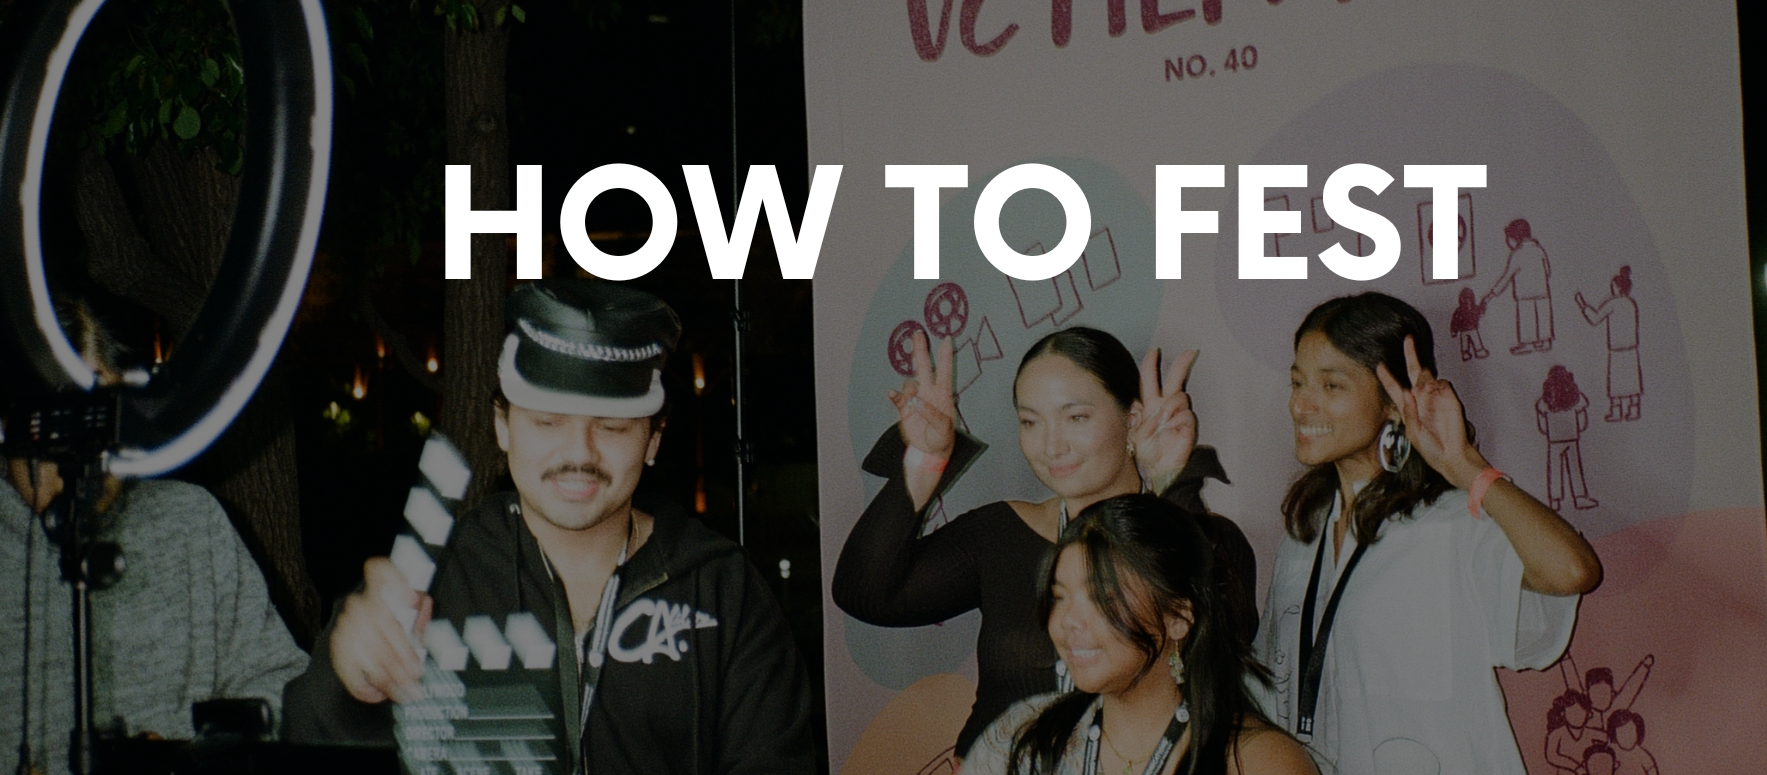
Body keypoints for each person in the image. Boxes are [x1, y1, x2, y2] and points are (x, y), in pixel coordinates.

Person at [282, 279, 813, 774]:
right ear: (502, 426)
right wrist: (343, 686)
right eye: (548, 421)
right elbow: (304, 747)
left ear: (653, 439)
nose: (579, 452)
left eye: (611, 426)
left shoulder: (723, 591)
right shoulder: (431, 581)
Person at [834, 326, 1255, 760]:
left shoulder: (1210, 538)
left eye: (1076, 418)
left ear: (1131, 418)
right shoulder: (1000, 533)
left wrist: (1172, 484)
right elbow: (867, 594)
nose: (1052, 446)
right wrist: (924, 460)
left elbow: (1226, 634)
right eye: (1031, 422)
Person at [1254, 292, 1603, 775]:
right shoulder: (1302, 538)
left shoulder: (1452, 523)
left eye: (1331, 385)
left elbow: (1573, 571)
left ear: (1394, 402)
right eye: (1297, 382)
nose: (1300, 405)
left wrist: (1463, 464)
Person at [2, 301, 308, 775]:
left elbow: (282, 695)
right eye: (56, 422)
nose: (82, 452)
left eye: (98, 411)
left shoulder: (192, 523)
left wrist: (190, 760)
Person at [960, 494, 1315, 775]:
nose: (1068, 621)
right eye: (1059, 597)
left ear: (1178, 617)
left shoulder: (1259, 761)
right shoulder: (1023, 738)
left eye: (1103, 598)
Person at [1574, 267, 1642, 422]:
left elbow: (1595, 319)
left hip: (1617, 349)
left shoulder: (1614, 303)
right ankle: (1634, 410)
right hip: (1631, 349)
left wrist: (1583, 305)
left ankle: (1617, 412)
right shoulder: (1630, 303)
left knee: (1617, 383)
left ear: (1617, 287)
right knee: (1632, 382)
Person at [1484, 218, 1554, 354]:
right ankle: (1544, 341)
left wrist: (1492, 294)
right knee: (1543, 316)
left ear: (1516, 237)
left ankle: (1527, 343)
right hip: (1542, 291)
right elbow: (1547, 271)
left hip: (1524, 294)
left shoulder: (1517, 254)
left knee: (1527, 318)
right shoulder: (1539, 250)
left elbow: (1506, 277)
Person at [1535, 366, 1598, 511]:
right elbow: (1582, 418)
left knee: (1556, 469)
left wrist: (1548, 432)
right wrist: (1579, 428)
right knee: (1574, 467)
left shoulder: (1545, 401)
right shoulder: (1575, 398)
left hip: (1555, 439)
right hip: (1571, 437)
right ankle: (1579, 498)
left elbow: (1542, 423)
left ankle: (1555, 500)